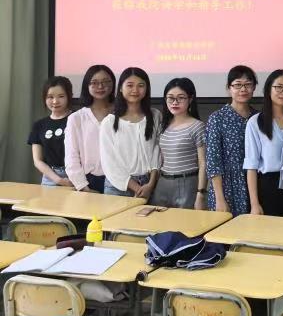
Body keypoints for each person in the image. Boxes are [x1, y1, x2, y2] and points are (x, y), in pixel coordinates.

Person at [244, 70, 283, 218]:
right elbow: (251, 165)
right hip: (267, 187)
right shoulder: (255, 122)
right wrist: (254, 204)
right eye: (279, 87)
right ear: (268, 89)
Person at [99, 67, 161, 199]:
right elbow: (109, 162)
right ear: (121, 88)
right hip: (118, 187)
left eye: (141, 85)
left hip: (150, 185)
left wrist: (150, 184)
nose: (135, 90)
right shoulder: (109, 122)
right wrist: (137, 188)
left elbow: (157, 151)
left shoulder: (155, 116)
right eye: (130, 85)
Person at [206, 65, 258, 216]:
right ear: (229, 88)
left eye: (248, 84)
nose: (243, 89)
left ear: (254, 88)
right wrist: (219, 198)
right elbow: (213, 161)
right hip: (226, 187)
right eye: (237, 85)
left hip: (254, 184)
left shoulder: (258, 118)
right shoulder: (217, 118)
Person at [151, 78, 206, 210]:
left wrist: (201, 193)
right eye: (170, 98)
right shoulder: (163, 125)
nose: (175, 102)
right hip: (162, 182)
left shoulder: (197, 126)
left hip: (187, 182)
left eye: (181, 98)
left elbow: (203, 162)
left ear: (190, 99)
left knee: (184, 222)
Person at [64, 65, 115, 193]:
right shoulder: (77, 118)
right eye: (94, 83)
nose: (100, 86)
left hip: (120, 180)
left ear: (113, 83)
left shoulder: (122, 114)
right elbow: (71, 156)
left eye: (105, 82)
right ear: (87, 85)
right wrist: (82, 186)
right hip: (90, 181)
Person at [29, 77, 74, 187]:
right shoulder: (39, 125)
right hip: (49, 178)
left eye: (61, 96)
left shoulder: (77, 119)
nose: (55, 101)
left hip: (75, 175)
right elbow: (37, 161)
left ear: (69, 96)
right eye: (50, 97)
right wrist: (59, 180)